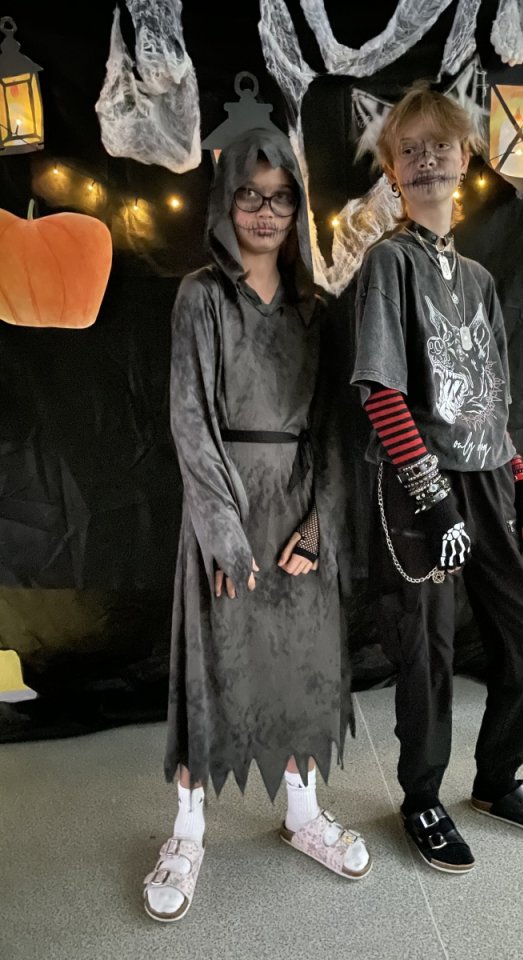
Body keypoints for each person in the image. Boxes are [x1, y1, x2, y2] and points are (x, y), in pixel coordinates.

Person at [142, 127, 371, 922]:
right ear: (227, 201)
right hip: (227, 510)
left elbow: (335, 428)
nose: (265, 211)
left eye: (280, 197)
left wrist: (321, 524)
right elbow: (189, 421)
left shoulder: (317, 310)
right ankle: (187, 831)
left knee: (302, 664)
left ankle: (302, 813)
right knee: (214, 667)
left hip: (300, 507)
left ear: (297, 205)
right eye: (250, 194)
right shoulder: (201, 298)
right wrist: (224, 534)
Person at [351, 82, 523, 874]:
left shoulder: (477, 279)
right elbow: (380, 391)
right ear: (392, 170)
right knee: (427, 652)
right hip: (418, 485)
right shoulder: (388, 263)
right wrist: (431, 494)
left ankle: (498, 779)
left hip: (484, 479)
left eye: (440, 145)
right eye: (409, 149)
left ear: (466, 158)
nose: (426, 158)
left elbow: (488, 398)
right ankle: (422, 797)